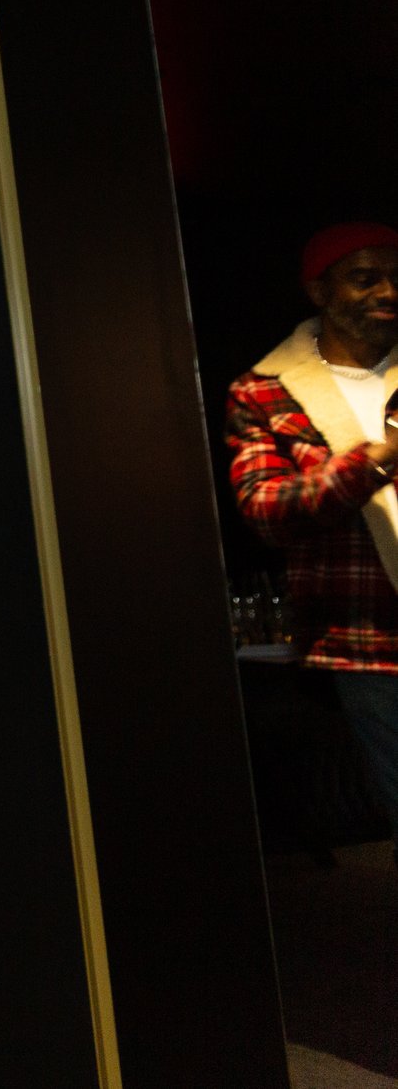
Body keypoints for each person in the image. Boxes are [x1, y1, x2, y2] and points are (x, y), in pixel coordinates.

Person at [225, 222, 398, 841]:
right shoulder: (266, 391)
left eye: (396, 277)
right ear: (319, 292)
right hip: (370, 634)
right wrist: (373, 462)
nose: (388, 291)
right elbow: (266, 509)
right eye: (365, 278)